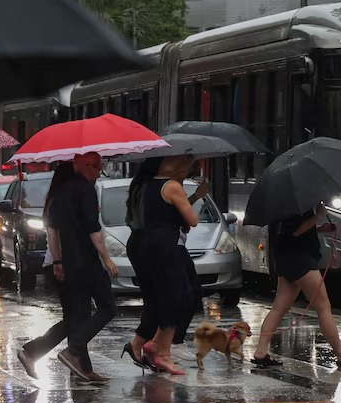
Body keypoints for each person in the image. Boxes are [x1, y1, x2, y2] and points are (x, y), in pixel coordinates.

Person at [252, 202, 341, 368]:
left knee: (278, 308)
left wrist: (319, 229)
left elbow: (294, 230)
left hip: (286, 259)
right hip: (301, 261)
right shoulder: (295, 203)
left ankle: (261, 352)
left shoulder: (285, 200)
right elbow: (295, 231)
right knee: (323, 307)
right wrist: (318, 216)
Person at [132, 155, 206, 376]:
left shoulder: (147, 184)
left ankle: (157, 346)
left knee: (171, 297)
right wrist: (193, 199)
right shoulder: (172, 186)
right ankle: (161, 351)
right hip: (166, 246)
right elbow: (192, 220)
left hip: (149, 246)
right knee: (177, 298)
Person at [51, 152, 118, 384]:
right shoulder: (87, 190)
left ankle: (82, 367)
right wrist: (107, 259)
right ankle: (75, 348)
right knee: (108, 307)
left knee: (80, 314)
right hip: (87, 260)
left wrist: (58, 261)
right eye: (98, 168)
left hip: (70, 262)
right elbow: (93, 229)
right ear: (89, 166)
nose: (99, 173)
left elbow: (52, 229)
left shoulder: (62, 190)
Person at [15, 162, 76, 378]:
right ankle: (32, 352)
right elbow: (54, 233)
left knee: (76, 316)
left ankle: (79, 362)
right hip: (61, 263)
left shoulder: (58, 198)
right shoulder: (59, 201)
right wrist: (59, 262)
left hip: (62, 262)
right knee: (76, 316)